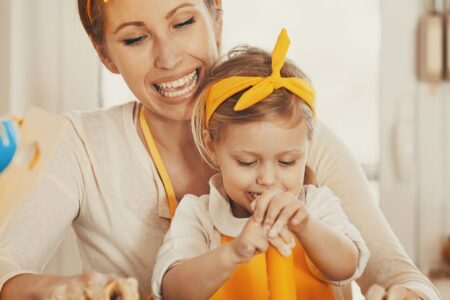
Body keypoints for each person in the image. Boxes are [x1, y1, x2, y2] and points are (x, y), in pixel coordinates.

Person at [0, 0, 439, 299]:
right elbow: (6, 270)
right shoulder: (78, 145)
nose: (168, 58)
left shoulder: (298, 138)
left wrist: (404, 294)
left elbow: (399, 274)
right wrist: (66, 288)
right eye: (135, 39)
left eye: (184, 22)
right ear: (105, 54)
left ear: (217, 16)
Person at [151, 29, 370, 300]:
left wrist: (305, 226)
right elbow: (174, 292)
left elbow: (347, 265)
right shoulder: (200, 217)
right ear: (212, 146)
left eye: (287, 162)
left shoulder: (315, 205)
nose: (267, 178)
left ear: (306, 149)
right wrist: (234, 253)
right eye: (248, 162)